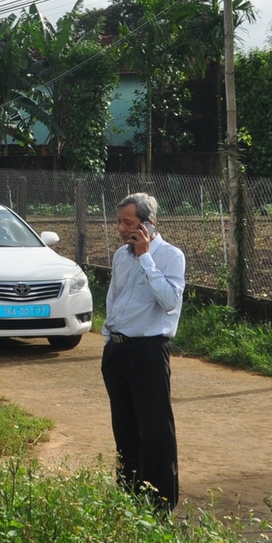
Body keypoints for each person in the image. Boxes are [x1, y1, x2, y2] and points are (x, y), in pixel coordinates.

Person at [100, 192, 186, 510]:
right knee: (124, 428)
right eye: (119, 222)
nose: (121, 229)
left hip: (149, 352)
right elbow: (114, 296)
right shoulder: (121, 256)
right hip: (118, 351)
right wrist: (108, 337)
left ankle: (161, 502)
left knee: (156, 430)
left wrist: (146, 257)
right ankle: (130, 496)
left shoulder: (170, 256)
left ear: (148, 225)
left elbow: (169, 300)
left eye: (129, 223)